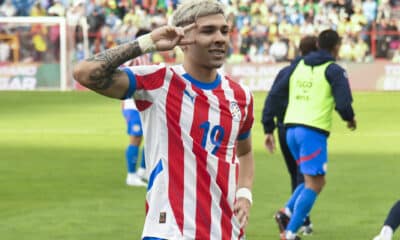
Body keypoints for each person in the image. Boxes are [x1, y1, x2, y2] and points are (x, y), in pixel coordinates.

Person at [73, 1, 255, 239]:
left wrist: (244, 193)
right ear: (183, 38)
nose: (220, 38)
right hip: (169, 231)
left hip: (226, 231)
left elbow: (245, 152)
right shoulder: (159, 82)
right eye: (208, 31)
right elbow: (85, 72)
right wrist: (148, 42)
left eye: (224, 30)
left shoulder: (240, 96)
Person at [265, 29, 357, 240]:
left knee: (309, 181)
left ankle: (286, 212)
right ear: (336, 47)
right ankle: (289, 232)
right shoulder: (333, 69)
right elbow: (343, 102)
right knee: (316, 183)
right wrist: (350, 119)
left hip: (290, 129)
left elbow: (277, 92)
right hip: (312, 131)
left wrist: (268, 125)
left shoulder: (298, 65)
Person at [262, 35, 318, 235]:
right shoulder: (311, 72)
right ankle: (292, 217)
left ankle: (302, 219)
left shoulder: (285, 71)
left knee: (298, 175)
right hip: (304, 127)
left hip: (284, 128)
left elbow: (272, 98)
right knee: (308, 177)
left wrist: (268, 128)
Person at [122, 28, 152, 187]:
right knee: (136, 137)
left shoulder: (147, 56)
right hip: (132, 105)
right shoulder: (132, 55)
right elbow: (120, 70)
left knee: (151, 136)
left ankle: (143, 171)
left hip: (144, 103)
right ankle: (131, 175)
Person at [122, 98, 147, 187]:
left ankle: (143, 171)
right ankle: (131, 176)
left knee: (150, 138)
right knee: (136, 139)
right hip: (133, 108)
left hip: (146, 107)